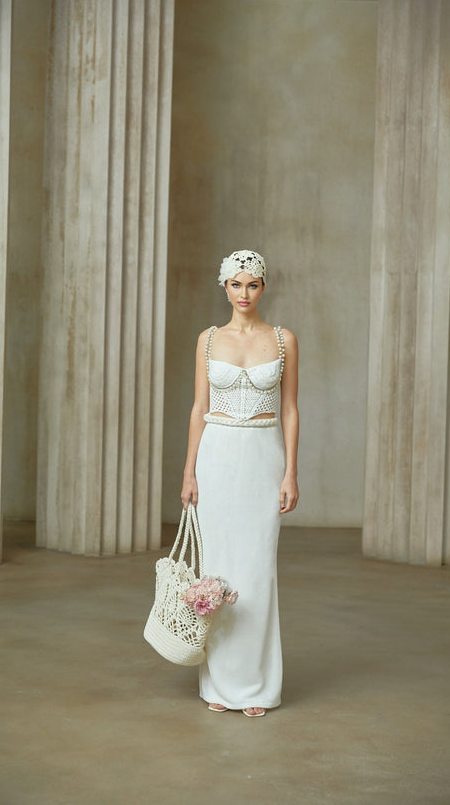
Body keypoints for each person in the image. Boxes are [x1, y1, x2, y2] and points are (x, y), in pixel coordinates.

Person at [181, 249, 299, 717]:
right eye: (236, 284)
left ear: (263, 287)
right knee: (220, 568)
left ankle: (256, 687)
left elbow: (289, 410)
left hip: (263, 457)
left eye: (253, 284)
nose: (244, 293)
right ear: (224, 286)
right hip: (218, 457)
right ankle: (219, 683)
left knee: (257, 570)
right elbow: (197, 409)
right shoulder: (208, 340)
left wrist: (291, 470)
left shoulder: (284, 339)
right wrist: (189, 471)